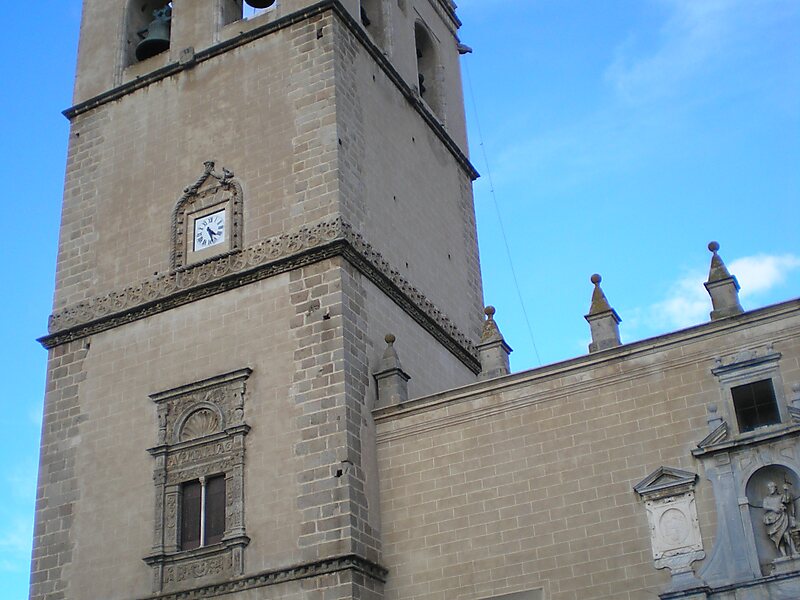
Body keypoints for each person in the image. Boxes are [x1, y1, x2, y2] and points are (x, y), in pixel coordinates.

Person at [763, 481, 797, 557]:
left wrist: (786, 490)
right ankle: (784, 555)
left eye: (772, 487)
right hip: (772, 519)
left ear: (775, 488)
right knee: (778, 538)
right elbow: (764, 506)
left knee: (786, 534)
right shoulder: (767, 498)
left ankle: (794, 551)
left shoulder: (780, 496)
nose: (770, 489)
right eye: (769, 487)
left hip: (781, 518)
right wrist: (773, 508)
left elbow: (787, 500)